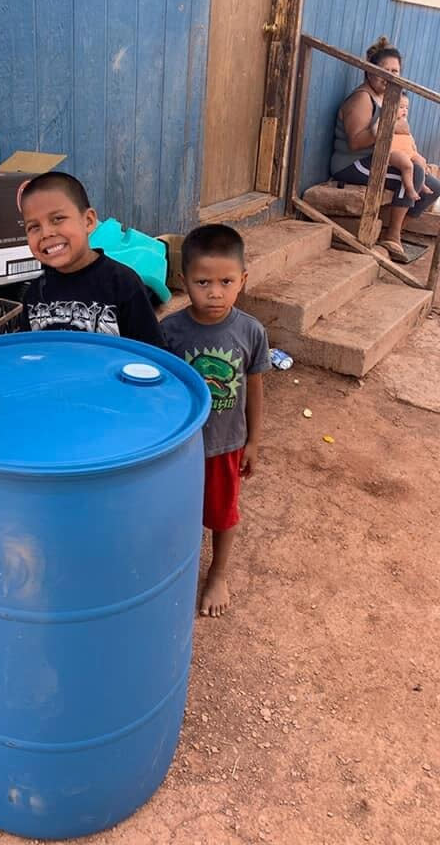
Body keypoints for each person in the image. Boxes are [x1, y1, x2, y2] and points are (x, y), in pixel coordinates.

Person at [162, 224, 269, 618]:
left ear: (242, 280)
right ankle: (176, 569)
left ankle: (218, 572)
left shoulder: (251, 331)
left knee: (223, 513)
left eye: (226, 281)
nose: (215, 292)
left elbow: (254, 391)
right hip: (182, 447)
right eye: (202, 281)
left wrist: (254, 442)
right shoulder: (169, 332)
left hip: (226, 445)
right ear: (183, 281)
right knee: (177, 511)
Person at [19, 171, 165, 347]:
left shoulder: (123, 284)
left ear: (88, 221)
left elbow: (152, 353)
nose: (46, 233)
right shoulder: (34, 294)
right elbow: (27, 352)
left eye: (57, 219)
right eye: (34, 227)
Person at [330, 36, 440, 264]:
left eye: (395, 71)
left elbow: (403, 126)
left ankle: (392, 232)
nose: (389, 76)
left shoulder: (388, 97)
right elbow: (356, 143)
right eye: (383, 70)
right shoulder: (363, 98)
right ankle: (392, 236)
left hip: (376, 158)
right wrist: (385, 127)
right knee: (414, 174)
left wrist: (393, 126)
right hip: (352, 163)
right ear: (370, 70)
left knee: (436, 186)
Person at [390, 93, 433, 200]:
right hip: (394, 152)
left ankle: (421, 184)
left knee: (422, 160)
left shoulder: (405, 123)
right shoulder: (388, 121)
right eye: (401, 107)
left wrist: (415, 150)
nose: (405, 110)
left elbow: (410, 138)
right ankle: (410, 189)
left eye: (407, 108)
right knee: (407, 165)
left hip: (408, 151)